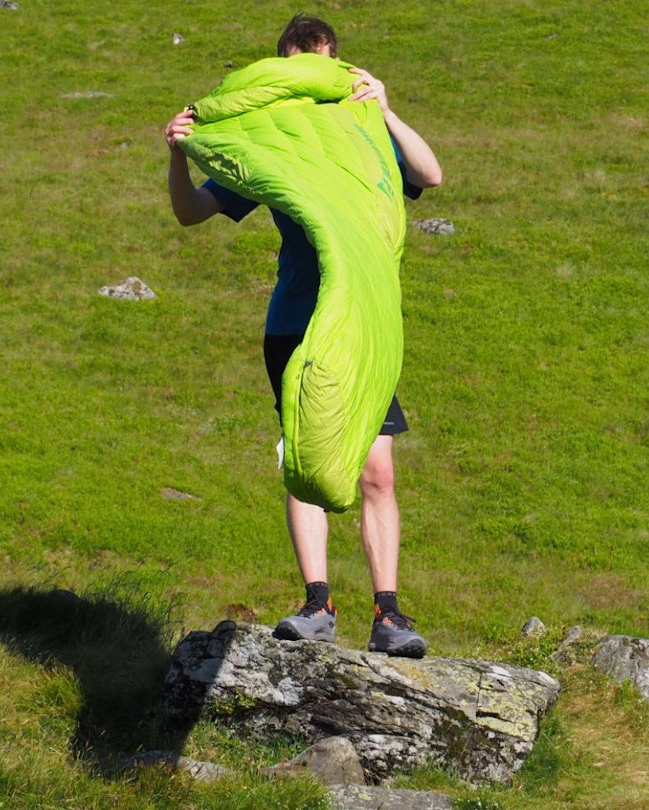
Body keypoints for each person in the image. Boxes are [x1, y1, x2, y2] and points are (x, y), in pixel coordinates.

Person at [164, 14, 443, 658]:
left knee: (377, 472)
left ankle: (389, 614)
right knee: (304, 453)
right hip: (295, 321)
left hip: (362, 327)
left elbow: (429, 176)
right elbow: (190, 212)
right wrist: (179, 154)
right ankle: (317, 603)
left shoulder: (361, 135)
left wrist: (387, 110)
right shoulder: (273, 143)